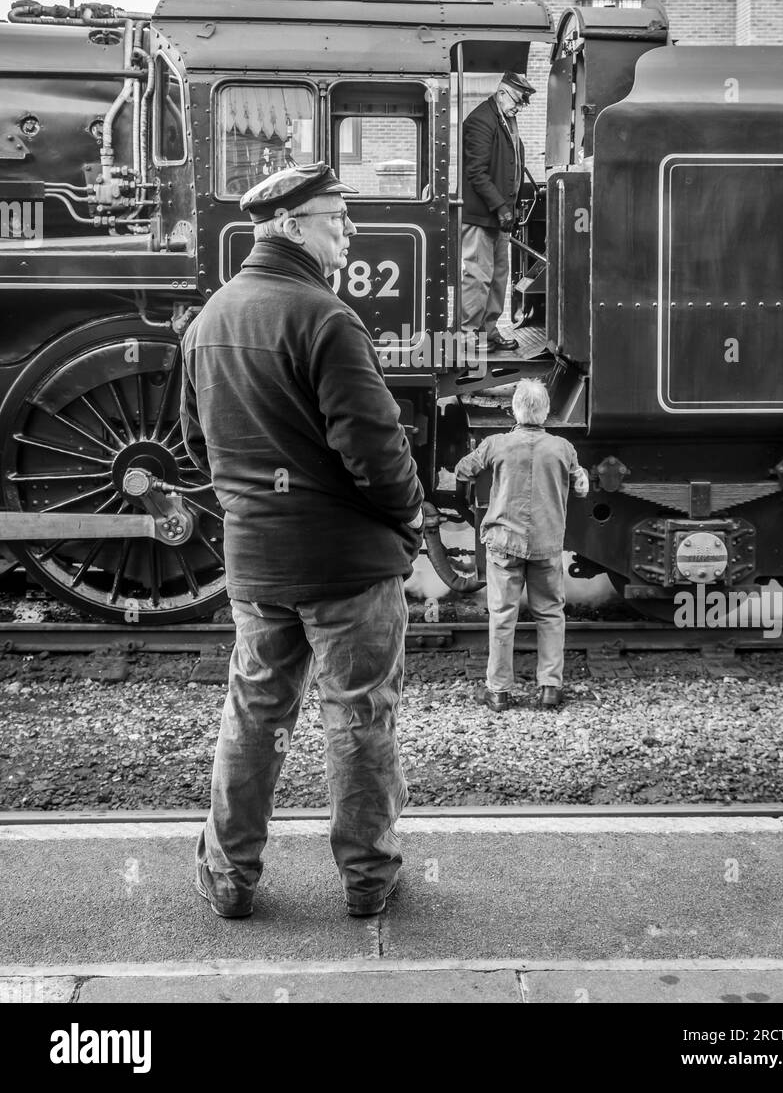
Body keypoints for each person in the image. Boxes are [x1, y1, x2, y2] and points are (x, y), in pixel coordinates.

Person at [180, 160, 425, 921]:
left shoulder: (209, 321)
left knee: (254, 715)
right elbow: (376, 451)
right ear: (291, 225)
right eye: (336, 218)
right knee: (358, 717)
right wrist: (410, 516)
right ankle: (368, 878)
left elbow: (198, 446)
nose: (349, 231)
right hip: (347, 566)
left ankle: (229, 878)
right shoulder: (326, 319)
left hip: (258, 565)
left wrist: (253, 510)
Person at [454, 378, 589, 711]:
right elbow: (581, 485)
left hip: (504, 544)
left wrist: (473, 490)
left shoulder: (495, 444)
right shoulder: (563, 448)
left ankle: (498, 692)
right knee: (551, 615)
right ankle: (550, 688)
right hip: (546, 545)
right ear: (546, 411)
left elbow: (462, 470)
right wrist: (578, 478)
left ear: (515, 410)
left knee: (502, 616)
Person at [460, 70, 536, 351]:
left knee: (497, 277)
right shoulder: (481, 120)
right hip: (481, 215)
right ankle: (468, 335)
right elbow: (476, 172)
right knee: (477, 277)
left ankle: (488, 330)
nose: (520, 107)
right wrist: (501, 207)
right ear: (502, 92)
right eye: (517, 100)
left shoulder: (506, 119)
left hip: (499, 216)